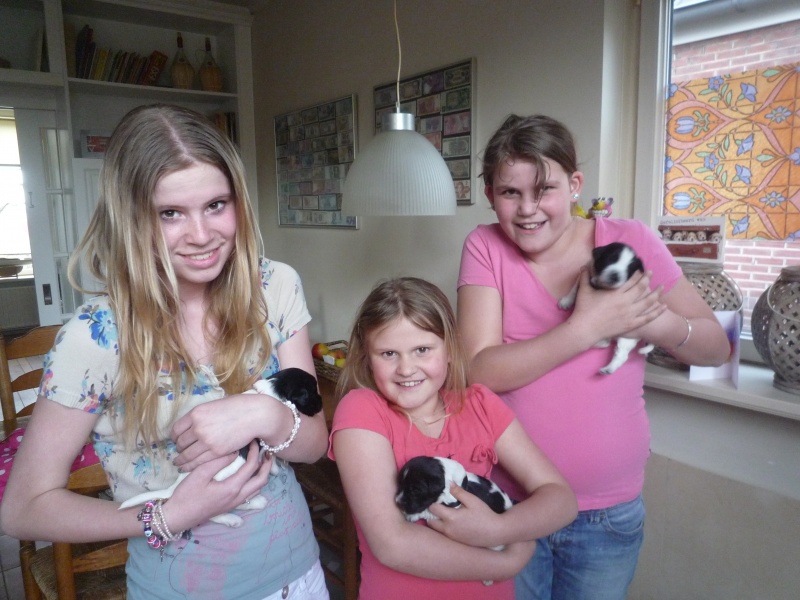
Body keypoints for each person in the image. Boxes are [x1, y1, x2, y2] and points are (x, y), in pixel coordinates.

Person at [0, 104, 330, 600]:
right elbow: (23, 507)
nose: (201, 235)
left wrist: (262, 413)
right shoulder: (95, 337)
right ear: (130, 219)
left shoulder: (276, 286)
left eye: (216, 204)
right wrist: (167, 516)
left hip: (300, 572)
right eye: (169, 213)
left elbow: (314, 445)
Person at [457, 114, 731, 600]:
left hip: (607, 513)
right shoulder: (485, 246)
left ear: (575, 185)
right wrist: (586, 328)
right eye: (510, 193)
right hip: (512, 502)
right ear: (489, 193)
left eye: (544, 189)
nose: (527, 209)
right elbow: (478, 370)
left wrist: (652, 322)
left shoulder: (631, 239)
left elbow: (716, 347)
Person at [329, 277, 578, 600]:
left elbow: (561, 500)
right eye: (389, 353)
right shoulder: (361, 410)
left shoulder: (480, 405)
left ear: (449, 349)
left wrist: (497, 530)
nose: (406, 368)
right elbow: (392, 544)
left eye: (422, 350)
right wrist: (504, 564)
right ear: (367, 356)